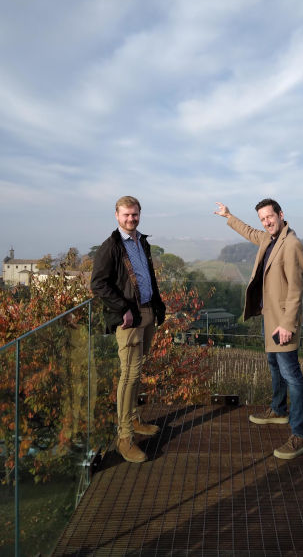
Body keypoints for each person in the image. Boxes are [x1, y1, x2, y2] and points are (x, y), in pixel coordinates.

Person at [214, 199, 303, 459]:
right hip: (269, 318)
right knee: (274, 364)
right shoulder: (270, 238)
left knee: (292, 375)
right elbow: (249, 232)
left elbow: (296, 289)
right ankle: (278, 410)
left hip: (282, 323)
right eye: (263, 219)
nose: (267, 222)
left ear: (281, 214)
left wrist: (288, 325)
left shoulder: (291, 245)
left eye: (270, 217)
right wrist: (229, 215)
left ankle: (301, 435)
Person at [91, 196, 166, 463]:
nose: (131, 219)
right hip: (129, 319)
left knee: (139, 370)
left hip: (146, 312)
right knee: (129, 375)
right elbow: (98, 284)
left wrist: (158, 305)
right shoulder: (110, 246)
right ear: (116, 215)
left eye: (134, 215)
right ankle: (124, 438)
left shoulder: (140, 241)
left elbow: (147, 277)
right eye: (126, 215)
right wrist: (123, 308)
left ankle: (133, 419)